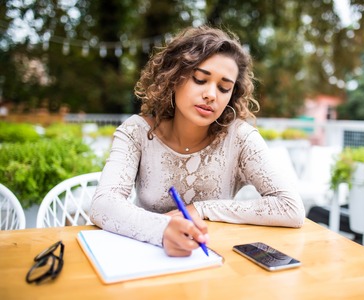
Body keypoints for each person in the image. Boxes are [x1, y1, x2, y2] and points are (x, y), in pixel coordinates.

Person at [90, 25, 305, 257]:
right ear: (173, 78)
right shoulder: (136, 132)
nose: (211, 95)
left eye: (224, 88)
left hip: (212, 258)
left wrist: (200, 209)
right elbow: (103, 205)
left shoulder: (240, 138)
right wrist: (162, 230)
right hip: (146, 258)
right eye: (200, 79)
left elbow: (290, 207)